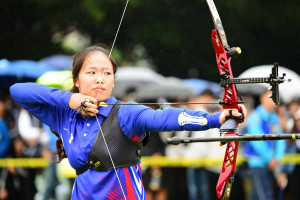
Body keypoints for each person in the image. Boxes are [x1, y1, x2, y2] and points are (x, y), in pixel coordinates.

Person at [9, 44, 246, 200]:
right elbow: (18, 91)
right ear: (76, 80)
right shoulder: (65, 115)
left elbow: (162, 117)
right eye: (92, 72)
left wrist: (216, 118)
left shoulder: (125, 113)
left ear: (113, 81)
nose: (100, 79)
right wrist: (70, 99)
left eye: (107, 73)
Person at [244, 90, 286, 200]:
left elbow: (281, 138)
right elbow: (256, 141)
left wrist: (276, 158)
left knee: (258, 195)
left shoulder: (274, 117)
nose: (273, 100)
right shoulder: (255, 117)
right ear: (261, 98)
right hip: (258, 163)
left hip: (272, 163)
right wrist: (271, 158)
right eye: (270, 97)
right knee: (265, 196)